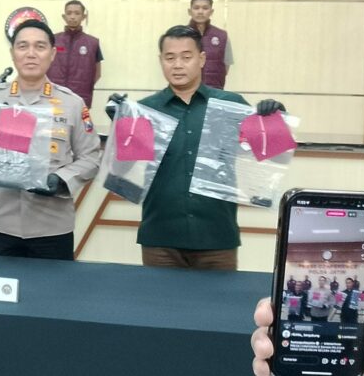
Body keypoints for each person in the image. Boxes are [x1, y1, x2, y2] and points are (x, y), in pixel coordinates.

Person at [109, 25, 285, 270]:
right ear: (161, 61)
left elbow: (274, 154)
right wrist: (121, 125)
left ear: (201, 59)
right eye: (170, 58)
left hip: (217, 239)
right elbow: (123, 172)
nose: (177, 65)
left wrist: (276, 118)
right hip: (160, 241)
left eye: (186, 57)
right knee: (158, 297)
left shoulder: (230, 105)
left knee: (218, 297)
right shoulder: (146, 110)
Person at [0, 19, 101, 260]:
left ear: (52, 54)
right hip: (1, 224)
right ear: (12, 53)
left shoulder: (72, 103)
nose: (31, 54)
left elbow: (91, 157)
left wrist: (61, 179)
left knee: (52, 286)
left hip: (52, 227)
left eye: (40, 46)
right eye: (23, 46)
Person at [252, 242, 364, 376]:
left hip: (328, 316)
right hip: (313, 314)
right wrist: (310, 304)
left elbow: (333, 302)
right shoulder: (313, 290)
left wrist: (325, 305)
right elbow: (308, 301)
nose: (322, 282)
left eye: (323, 280)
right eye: (320, 280)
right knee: (309, 337)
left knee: (329, 336)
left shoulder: (333, 292)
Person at [46, 0, 103, 108]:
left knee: (79, 120)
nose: (72, 17)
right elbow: (43, 65)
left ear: (83, 16)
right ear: (64, 16)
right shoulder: (53, 40)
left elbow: (98, 73)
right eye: (69, 13)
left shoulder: (93, 43)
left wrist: (85, 87)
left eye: (77, 13)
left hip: (81, 98)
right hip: (54, 96)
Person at [187, 0, 233, 89]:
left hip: (214, 90)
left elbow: (226, 65)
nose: (200, 11)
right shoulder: (180, 35)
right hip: (187, 90)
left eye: (205, 8)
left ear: (211, 12)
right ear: (190, 11)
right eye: (196, 8)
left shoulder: (222, 36)